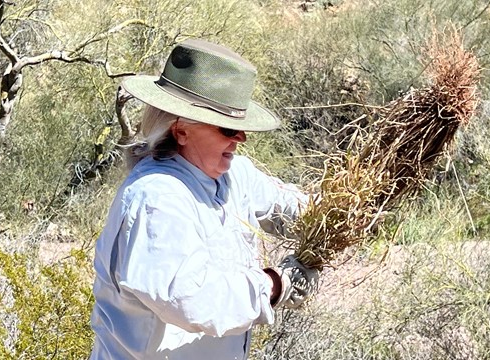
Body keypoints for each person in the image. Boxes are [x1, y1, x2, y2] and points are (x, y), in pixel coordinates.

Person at [90, 38, 319, 360]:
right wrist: (274, 285)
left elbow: (293, 209)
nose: (241, 138)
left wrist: (348, 207)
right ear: (181, 130)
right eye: (227, 129)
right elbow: (194, 301)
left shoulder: (233, 174)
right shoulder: (156, 198)